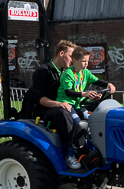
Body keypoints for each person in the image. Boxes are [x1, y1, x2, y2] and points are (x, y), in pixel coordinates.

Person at [21, 40, 80, 168]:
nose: (73, 60)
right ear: (61, 53)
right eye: (71, 56)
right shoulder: (43, 71)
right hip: (41, 109)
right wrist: (59, 104)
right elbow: (40, 99)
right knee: (63, 113)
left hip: (55, 106)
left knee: (83, 111)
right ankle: (70, 154)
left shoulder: (65, 74)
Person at [57, 47, 115, 158]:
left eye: (87, 61)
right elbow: (68, 92)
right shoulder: (68, 74)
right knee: (79, 125)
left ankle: (94, 149)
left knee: (93, 120)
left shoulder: (85, 73)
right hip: (67, 104)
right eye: (83, 61)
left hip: (78, 104)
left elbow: (96, 80)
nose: (86, 64)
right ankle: (71, 155)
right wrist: (84, 94)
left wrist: (108, 85)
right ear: (74, 60)